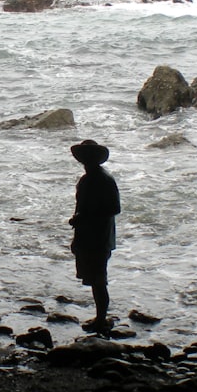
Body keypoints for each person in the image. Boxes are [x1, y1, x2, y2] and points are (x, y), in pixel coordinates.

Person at [68, 139, 121, 334]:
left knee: (99, 281)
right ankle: (100, 317)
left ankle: (101, 319)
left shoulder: (101, 179)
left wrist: (83, 218)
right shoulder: (91, 178)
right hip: (92, 235)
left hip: (98, 237)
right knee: (96, 279)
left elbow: (114, 208)